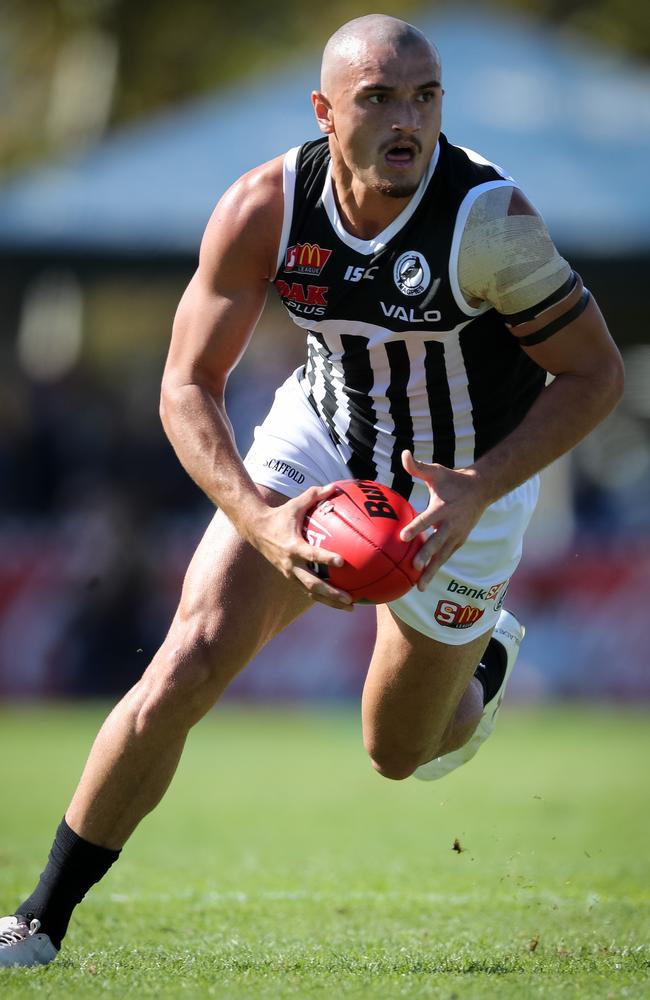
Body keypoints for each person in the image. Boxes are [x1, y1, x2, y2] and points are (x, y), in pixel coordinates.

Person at [0, 14, 623, 967]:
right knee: (188, 657)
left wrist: (479, 489)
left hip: (467, 482)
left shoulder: (487, 223)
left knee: (400, 751)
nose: (407, 119)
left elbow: (597, 377)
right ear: (327, 113)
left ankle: (481, 660)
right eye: (379, 98)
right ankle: (37, 923)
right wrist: (256, 516)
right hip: (323, 442)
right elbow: (184, 386)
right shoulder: (264, 207)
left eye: (425, 96)